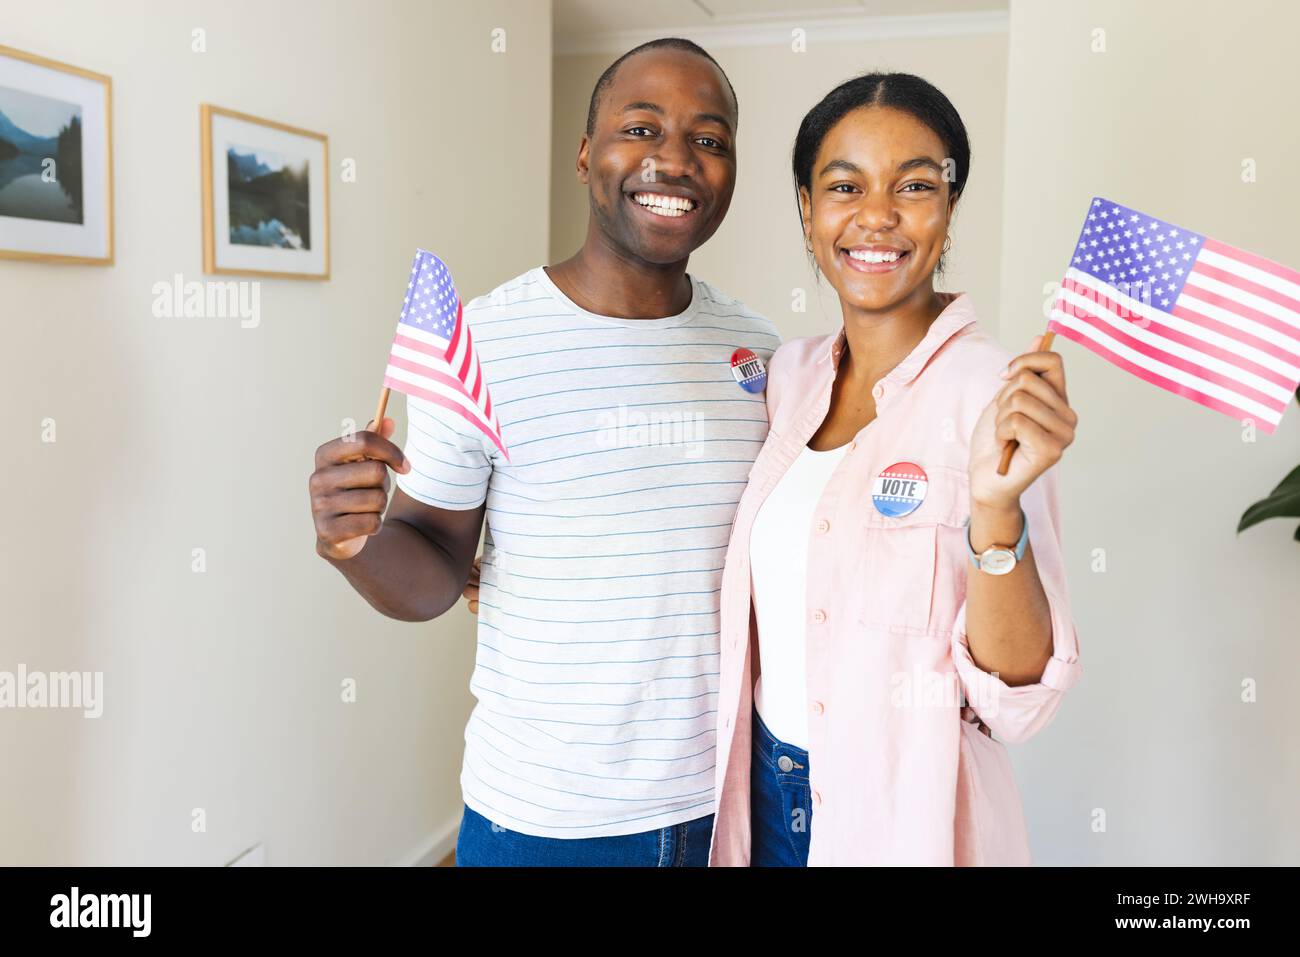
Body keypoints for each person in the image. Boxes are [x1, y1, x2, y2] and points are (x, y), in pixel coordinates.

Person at [308, 38, 779, 866]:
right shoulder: (482, 342)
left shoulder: (761, 352)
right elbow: (435, 565)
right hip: (547, 820)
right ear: (586, 154)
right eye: (642, 128)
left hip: (727, 805)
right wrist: (354, 545)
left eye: (709, 140)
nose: (674, 159)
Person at [706, 72, 1083, 867]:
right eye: (845, 186)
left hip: (901, 814)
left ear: (947, 213)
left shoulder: (997, 393)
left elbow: (1017, 700)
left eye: (915, 185)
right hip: (760, 794)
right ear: (809, 212)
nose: (876, 215)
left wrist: (996, 509)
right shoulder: (789, 378)